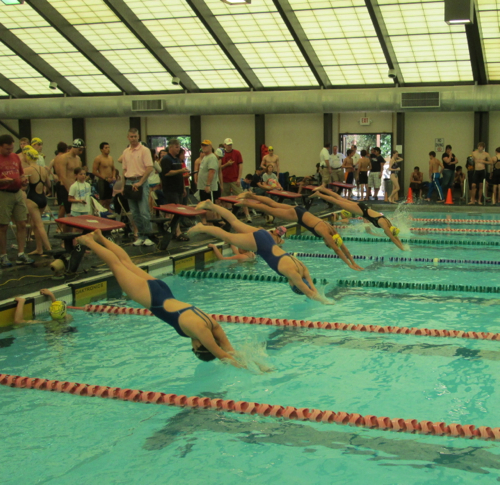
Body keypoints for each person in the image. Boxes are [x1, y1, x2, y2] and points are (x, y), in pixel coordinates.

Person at [76, 229, 242, 365]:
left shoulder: (212, 325)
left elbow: (229, 350)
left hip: (164, 291)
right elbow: (223, 355)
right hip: (154, 299)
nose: (192, 345)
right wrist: (246, 369)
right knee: (116, 265)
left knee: (127, 263)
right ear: (200, 347)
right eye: (194, 348)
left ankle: (99, 237)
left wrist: (252, 362)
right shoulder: (200, 332)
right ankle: (89, 241)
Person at [187, 200, 334, 304]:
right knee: (228, 237)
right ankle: (202, 227)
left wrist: (321, 296)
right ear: (293, 285)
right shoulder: (292, 274)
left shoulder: (303, 268)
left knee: (235, 222)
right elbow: (309, 292)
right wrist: (325, 302)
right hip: (260, 244)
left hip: (266, 237)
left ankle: (211, 205)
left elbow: (311, 288)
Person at [237, 193, 363, 271]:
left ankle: (250, 195)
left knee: (274, 204)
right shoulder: (326, 234)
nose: (326, 243)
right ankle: (246, 203)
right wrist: (349, 265)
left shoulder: (332, 230)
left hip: (301, 210)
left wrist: (354, 262)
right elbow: (337, 250)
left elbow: (342, 247)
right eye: (328, 244)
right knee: (270, 210)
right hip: (297, 216)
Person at [310, 186, 407, 251]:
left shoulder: (388, 223)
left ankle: (322, 189)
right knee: (337, 202)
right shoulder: (385, 225)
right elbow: (393, 239)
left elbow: (395, 237)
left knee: (340, 199)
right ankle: (319, 194)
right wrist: (402, 249)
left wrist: (402, 245)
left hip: (363, 207)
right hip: (361, 210)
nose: (388, 233)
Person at [0, 134, 34, 267]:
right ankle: (3, 255)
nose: (10, 151)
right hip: (3, 194)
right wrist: (2, 181)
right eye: (7, 149)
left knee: (22, 223)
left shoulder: (15, 157)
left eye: (11, 148)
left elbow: (21, 173)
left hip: (17, 193)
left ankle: (21, 254)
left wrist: (23, 179)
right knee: (3, 226)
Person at [121, 128, 154, 246]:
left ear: (138, 137)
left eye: (135, 136)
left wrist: (140, 182)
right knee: (134, 212)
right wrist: (123, 186)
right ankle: (141, 235)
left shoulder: (144, 150)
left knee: (144, 211)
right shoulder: (125, 152)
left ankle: (149, 236)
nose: (133, 139)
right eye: (131, 136)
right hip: (129, 183)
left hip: (141, 182)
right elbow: (124, 170)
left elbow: (149, 168)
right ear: (128, 137)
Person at [23, 145, 52, 256]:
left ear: (28, 157)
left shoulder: (27, 170)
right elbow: (49, 185)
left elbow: (24, 186)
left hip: (32, 199)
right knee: (35, 225)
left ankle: (49, 249)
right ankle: (39, 249)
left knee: (39, 225)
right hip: (42, 199)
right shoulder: (43, 169)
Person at [160, 138, 190, 241]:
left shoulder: (177, 159)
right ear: (171, 147)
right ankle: (177, 232)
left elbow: (180, 176)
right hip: (170, 189)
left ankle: (175, 231)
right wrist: (180, 170)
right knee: (175, 211)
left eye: (179, 147)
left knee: (179, 210)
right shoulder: (166, 159)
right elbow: (166, 173)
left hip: (179, 188)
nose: (178, 149)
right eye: (177, 147)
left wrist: (183, 188)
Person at [221, 138, 251, 222]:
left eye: (231, 144)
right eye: (228, 145)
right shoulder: (221, 154)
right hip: (224, 180)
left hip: (234, 179)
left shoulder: (237, 153)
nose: (229, 146)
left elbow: (240, 166)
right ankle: (226, 217)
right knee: (224, 199)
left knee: (241, 197)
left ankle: (247, 215)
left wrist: (238, 178)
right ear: (224, 145)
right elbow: (219, 167)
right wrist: (227, 164)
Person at [54, 139, 84, 219]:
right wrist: (71, 191)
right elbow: (62, 176)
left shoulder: (78, 159)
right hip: (65, 188)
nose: (81, 152)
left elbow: (80, 175)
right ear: (74, 147)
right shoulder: (64, 158)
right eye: (80, 150)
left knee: (75, 213)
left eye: (82, 150)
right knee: (68, 213)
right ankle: (61, 226)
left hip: (75, 188)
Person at [92, 142, 116, 211]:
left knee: (109, 199)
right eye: (106, 148)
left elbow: (113, 169)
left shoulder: (111, 158)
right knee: (103, 200)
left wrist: (114, 176)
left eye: (108, 147)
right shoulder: (98, 158)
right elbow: (94, 171)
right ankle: (98, 212)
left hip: (110, 181)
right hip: (102, 181)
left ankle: (107, 212)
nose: (108, 149)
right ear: (101, 149)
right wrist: (105, 178)